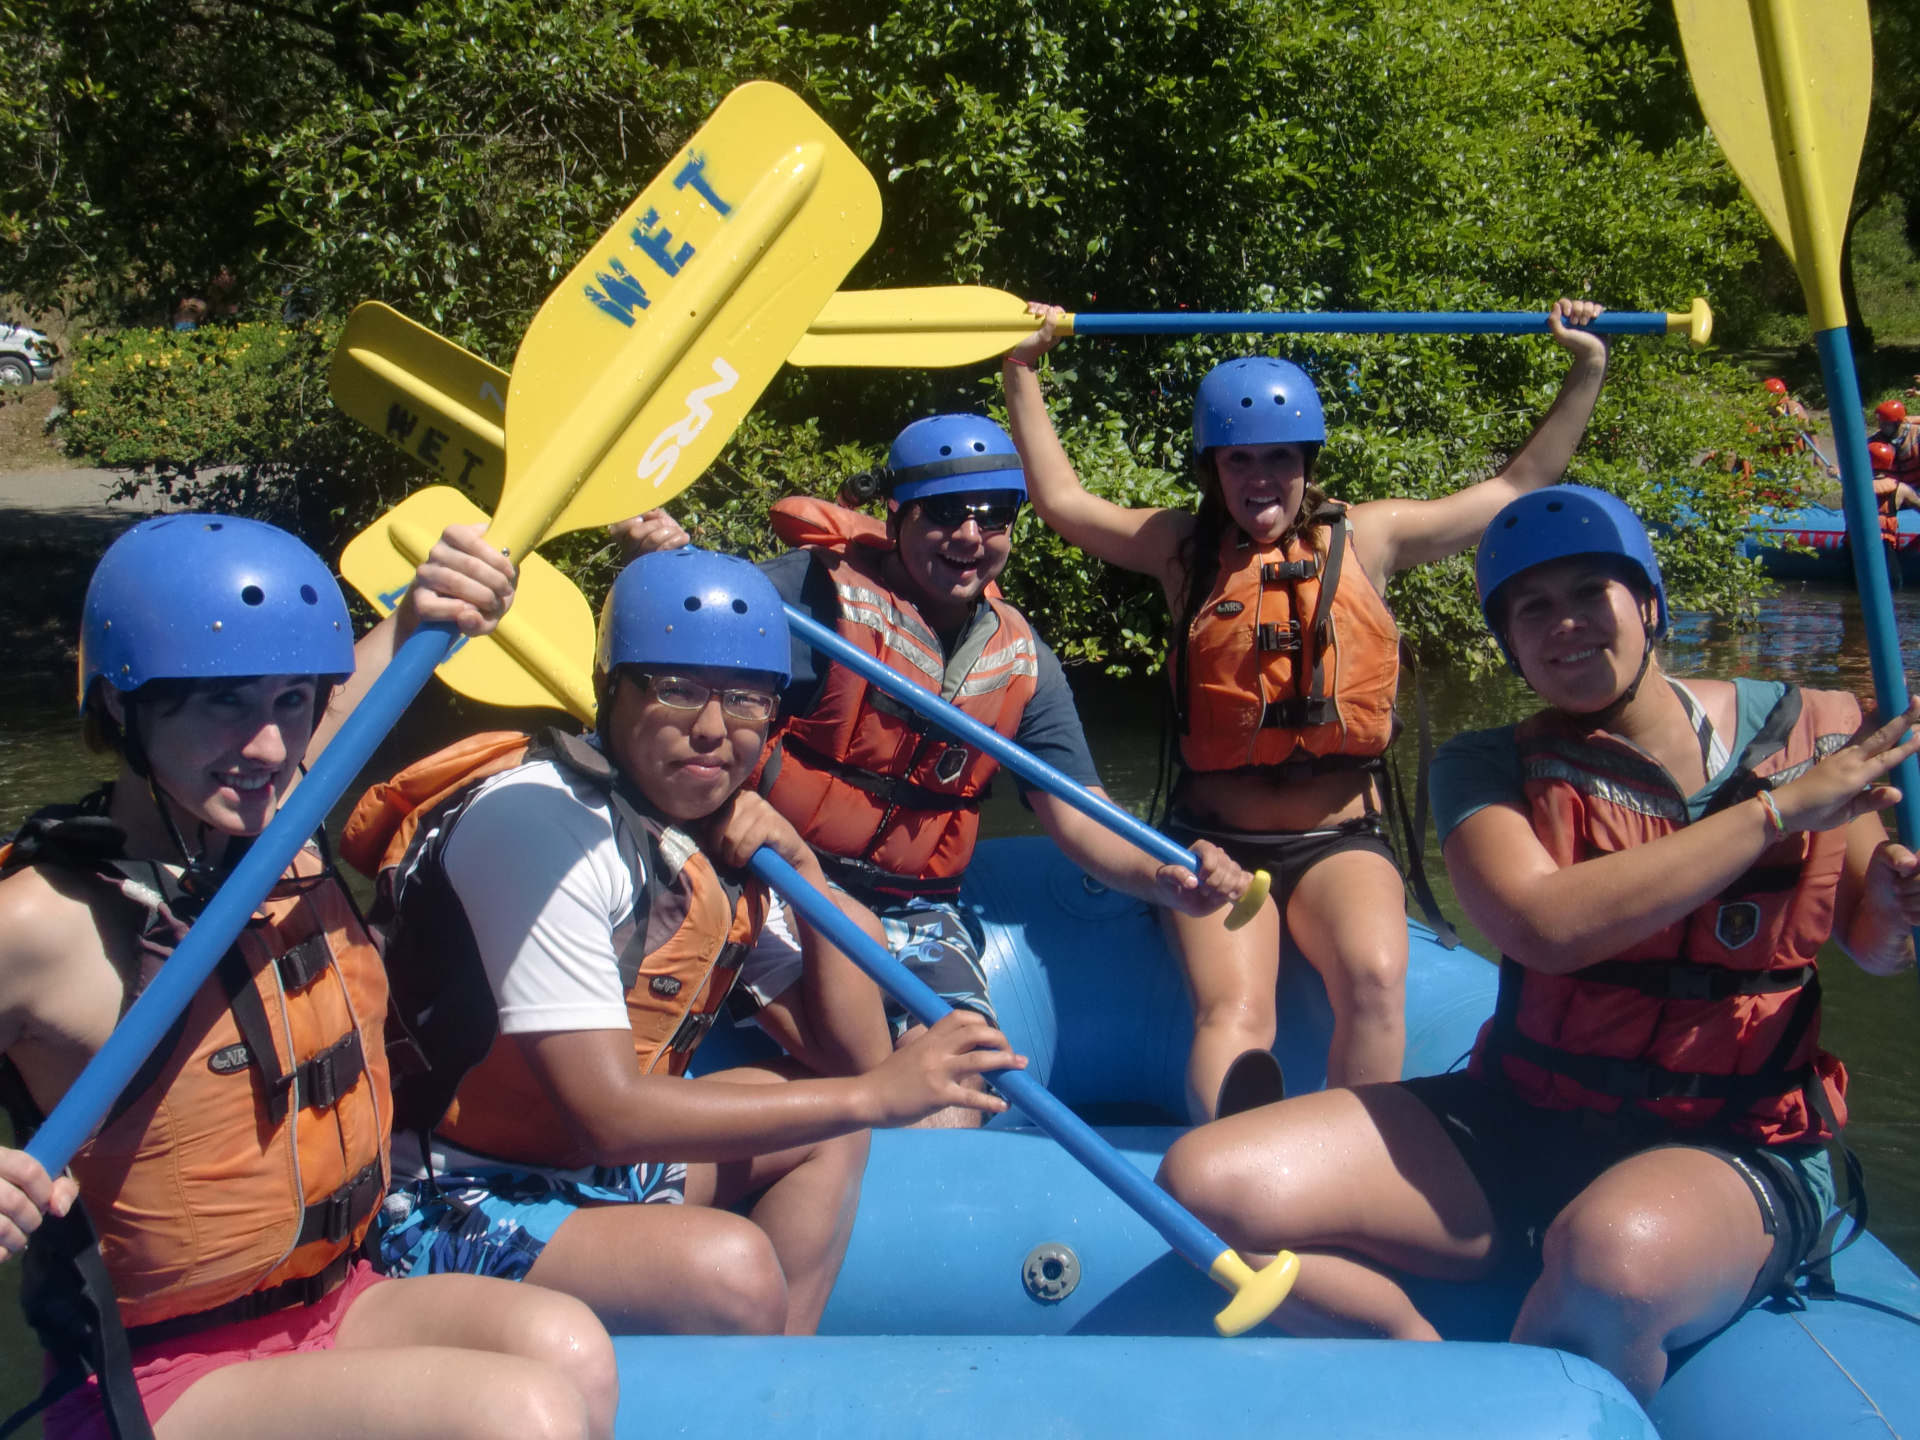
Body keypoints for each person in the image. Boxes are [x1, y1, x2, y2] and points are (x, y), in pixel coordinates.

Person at [1155, 485, 1920, 1402]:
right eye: (1533, 610)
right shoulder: (1487, 764)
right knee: (1202, 1183)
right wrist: (1775, 814)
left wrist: (1893, 905)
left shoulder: (1818, 736)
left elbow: (1874, 947)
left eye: (1591, 592)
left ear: (1648, 605)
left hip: (1736, 1138)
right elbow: (1542, 928)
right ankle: (1409, 1347)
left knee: (1611, 1259)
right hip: (1523, 1118)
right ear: (1511, 646)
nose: (1565, 625)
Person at [0, 514, 618, 1440]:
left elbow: (355, 692)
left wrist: (424, 611)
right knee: (519, 1416)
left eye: (292, 699)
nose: (266, 746)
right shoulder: (40, 919)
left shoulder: (279, 822)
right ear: (122, 707)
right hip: (155, 1372)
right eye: (222, 701)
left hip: (337, 1296)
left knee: (570, 1347)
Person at [354, 546, 1025, 1335]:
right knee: (731, 1266)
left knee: (830, 1129)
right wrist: (874, 1099)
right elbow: (609, 1114)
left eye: (745, 700)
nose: (712, 731)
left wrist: (804, 872)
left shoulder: (704, 839)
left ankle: (776, 1382)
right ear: (611, 689)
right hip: (438, 1195)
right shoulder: (538, 822)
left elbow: (853, 1058)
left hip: (591, 1169)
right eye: (677, 690)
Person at [1003, 298, 1612, 1120]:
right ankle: (1230, 1160)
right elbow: (1062, 501)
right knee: (1236, 1011)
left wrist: (1586, 367)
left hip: (1340, 840)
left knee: (1376, 980)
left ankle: (1351, 1165)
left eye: (1280, 458)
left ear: (1306, 461)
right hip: (1217, 844)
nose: (1260, 478)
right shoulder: (1182, 550)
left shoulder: (1372, 538)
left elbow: (1516, 485)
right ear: (1213, 468)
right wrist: (1022, 368)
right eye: (1240, 460)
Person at [617, 417, 1252, 1128]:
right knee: (859, 1060)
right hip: (774, 881)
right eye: (945, 513)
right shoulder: (807, 597)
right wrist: (668, 573)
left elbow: (1079, 809)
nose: (970, 536)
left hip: (914, 909)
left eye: (994, 516)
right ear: (897, 515)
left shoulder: (1022, 659)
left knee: (957, 1088)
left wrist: (1162, 876)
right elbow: (695, 710)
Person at [1870, 438, 1920, 586]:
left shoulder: (1854, 487)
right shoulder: (1900, 488)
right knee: (1893, 585)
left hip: (1854, 546)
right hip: (1883, 546)